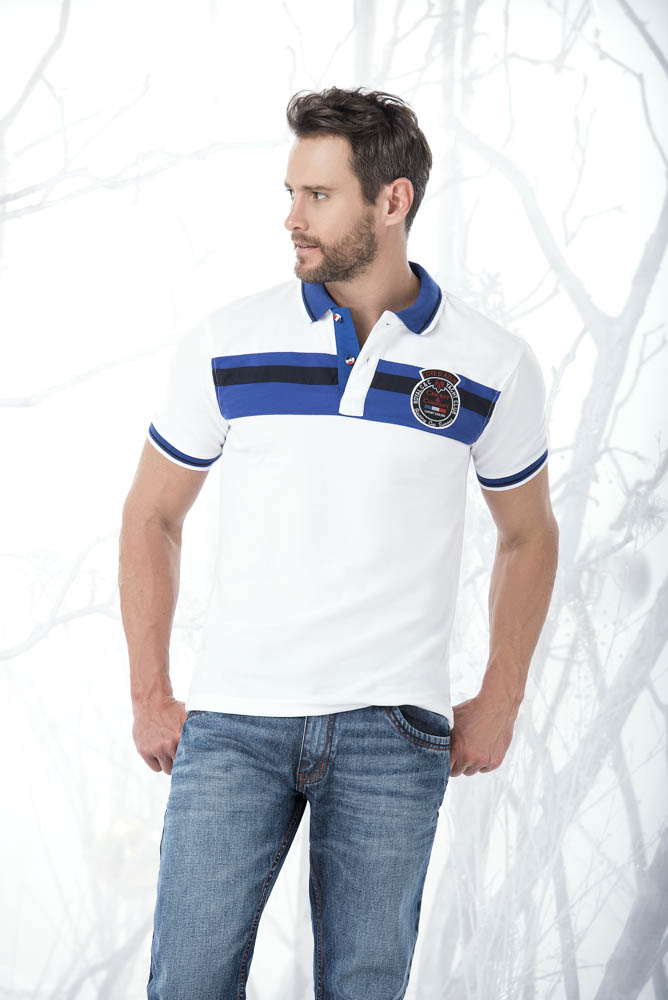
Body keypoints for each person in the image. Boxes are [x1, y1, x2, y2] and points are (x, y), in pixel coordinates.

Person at [118, 85, 559, 1000]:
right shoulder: (228, 341)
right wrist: (150, 692)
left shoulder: (491, 362)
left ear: (392, 200)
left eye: (317, 196)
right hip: (235, 726)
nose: (292, 218)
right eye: (291, 193)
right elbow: (152, 515)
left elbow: (528, 533)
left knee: (365, 987)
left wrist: (503, 696)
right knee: (186, 984)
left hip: (393, 732)